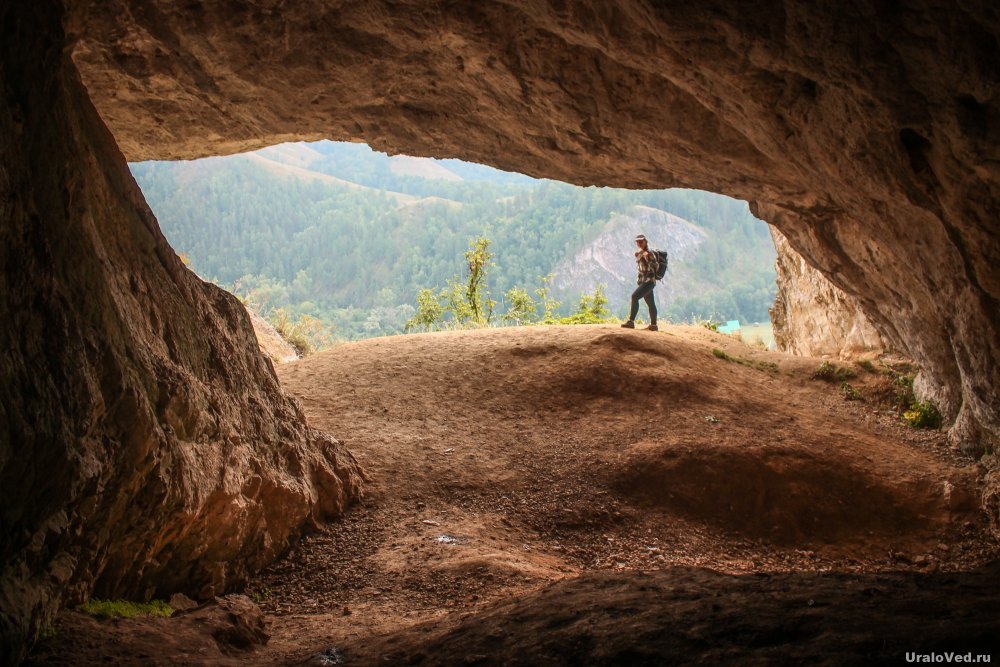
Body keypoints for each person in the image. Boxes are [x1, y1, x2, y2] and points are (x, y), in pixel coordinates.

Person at [621, 234, 659, 331]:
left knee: (634, 297)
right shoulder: (641, 253)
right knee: (650, 303)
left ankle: (631, 321)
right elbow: (641, 268)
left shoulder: (649, 253)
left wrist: (647, 258)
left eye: (641, 241)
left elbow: (655, 266)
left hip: (649, 281)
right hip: (643, 282)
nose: (639, 243)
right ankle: (654, 325)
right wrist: (640, 255)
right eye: (638, 242)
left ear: (646, 241)